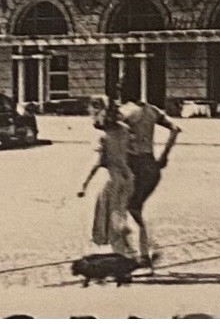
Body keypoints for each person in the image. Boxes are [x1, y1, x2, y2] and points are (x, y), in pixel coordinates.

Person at [118, 97, 179, 267]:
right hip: (151, 165)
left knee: (125, 208)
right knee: (134, 208)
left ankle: (142, 254)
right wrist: (164, 155)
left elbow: (104, 126)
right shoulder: (152, 110)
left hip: (134, 164)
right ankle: (144, 250)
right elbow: (175, 129)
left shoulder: (126, 111)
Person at [77, 96, 136, 260]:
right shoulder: (124, 130)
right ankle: (129, 252)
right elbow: (131, 152)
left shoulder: (102, 136)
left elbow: (96, 162)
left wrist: (83, 184)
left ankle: (121, 258)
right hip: (127, 178)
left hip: (110, 180)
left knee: (107, 219)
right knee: (119, 215)